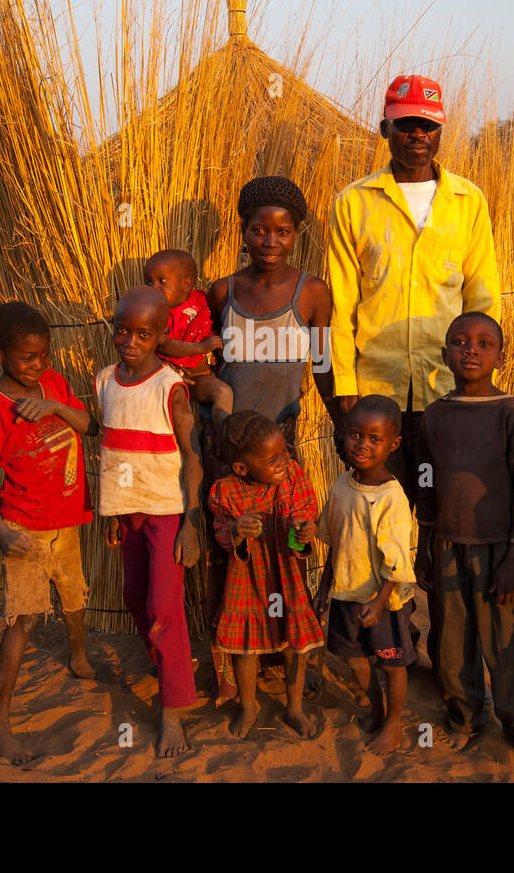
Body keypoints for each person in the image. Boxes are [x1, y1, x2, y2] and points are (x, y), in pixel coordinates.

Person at [326, 74, 502, 503]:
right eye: (405, 124)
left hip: (447, 385)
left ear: (441, 130)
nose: (417, 134)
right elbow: (342, 302)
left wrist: (479, 379)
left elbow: (483, 297)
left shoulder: (468, 201)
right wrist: (346, 386)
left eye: (428, 124)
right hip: (374, 389)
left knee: (445, 502)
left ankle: (434, 574)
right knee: (378, 502)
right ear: (386, 128)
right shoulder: (354, 202)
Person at [203, 176, 336, 702]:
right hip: (230, 452)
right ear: (244, 232)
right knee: (233, 551)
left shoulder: (312, 292)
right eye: (260, 230)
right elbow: (208, 368)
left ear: (297, 234)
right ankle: (234, 667)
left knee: (288, 548)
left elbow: (322, 366)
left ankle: (288, 659)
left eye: (282, 231)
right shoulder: (223, 292)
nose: (271, 241)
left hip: (282, 447)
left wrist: (343, 420)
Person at [415, 313, 514, 774]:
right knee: (451, 644)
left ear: (501, 355)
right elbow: (427, 482)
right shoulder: (435, 415)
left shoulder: (510, 414)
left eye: (484, 343)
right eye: (460, 342)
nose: (471, 350)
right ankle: (465, 717)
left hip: (499, 550)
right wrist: (424, 542)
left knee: (508, 644)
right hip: (447, 545)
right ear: (445, 354)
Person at [0, 301, 97, 765]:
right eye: (26, 357)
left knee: (74, 594)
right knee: (23, 618)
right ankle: (0, 722)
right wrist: (0, 531)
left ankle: (78, 656)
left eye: (43, 354)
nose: (37, 364)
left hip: (68, 518)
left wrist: (55, 404)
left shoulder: (54, 383)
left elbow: (91, 427)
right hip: (24, 526)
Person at [95, 286, 204, 757]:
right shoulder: (103, 381)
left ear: (162, 335)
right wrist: (111, 513)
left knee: (164, 608)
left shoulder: (170, 386)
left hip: (165, 514)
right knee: (134, 599)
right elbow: (109, 446)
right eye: (123, 330)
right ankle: (168, 669)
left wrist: (192, 523)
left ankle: (174, 710)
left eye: (144, 333)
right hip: (128, 512)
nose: (131, 341)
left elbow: (193, 456)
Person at [207, 411, 322, 739]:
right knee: (246, 648)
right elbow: (221, 531)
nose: (283, 462)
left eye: (284, 453)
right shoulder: (225, 491)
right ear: (242, 468)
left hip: (285, 576)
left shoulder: (292, 477)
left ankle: (295, 708)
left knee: (292, 645)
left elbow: (305, 509)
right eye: (273, 460)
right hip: (248, 581)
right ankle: (248, 707)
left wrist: (303, 530)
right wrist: (237, 530)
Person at [313, 396, 415, 755]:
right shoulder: (342, 485)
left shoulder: (392, 497)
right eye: (355, 435)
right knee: (352, 655)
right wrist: (324, 589)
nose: (362, 445)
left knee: (392, 661)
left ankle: (394, 722)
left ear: (393, 444)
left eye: (374, 439)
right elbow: (334, 541)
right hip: (345, 593)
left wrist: (380, 601)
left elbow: (398, 561)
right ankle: (377, 707)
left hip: (382, 601)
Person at [143, 249, 233, 423]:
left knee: (225, 393)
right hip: (174, 378)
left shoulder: (201, 300)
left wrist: (215, 351)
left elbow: (214, 323)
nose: (154, 288)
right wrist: (200, 348)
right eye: (149, 283)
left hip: (204, 375)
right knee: (179, 419)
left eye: (161, 281)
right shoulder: (157, 314)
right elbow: (164, 345)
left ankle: (222, 434)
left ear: (186, 285)